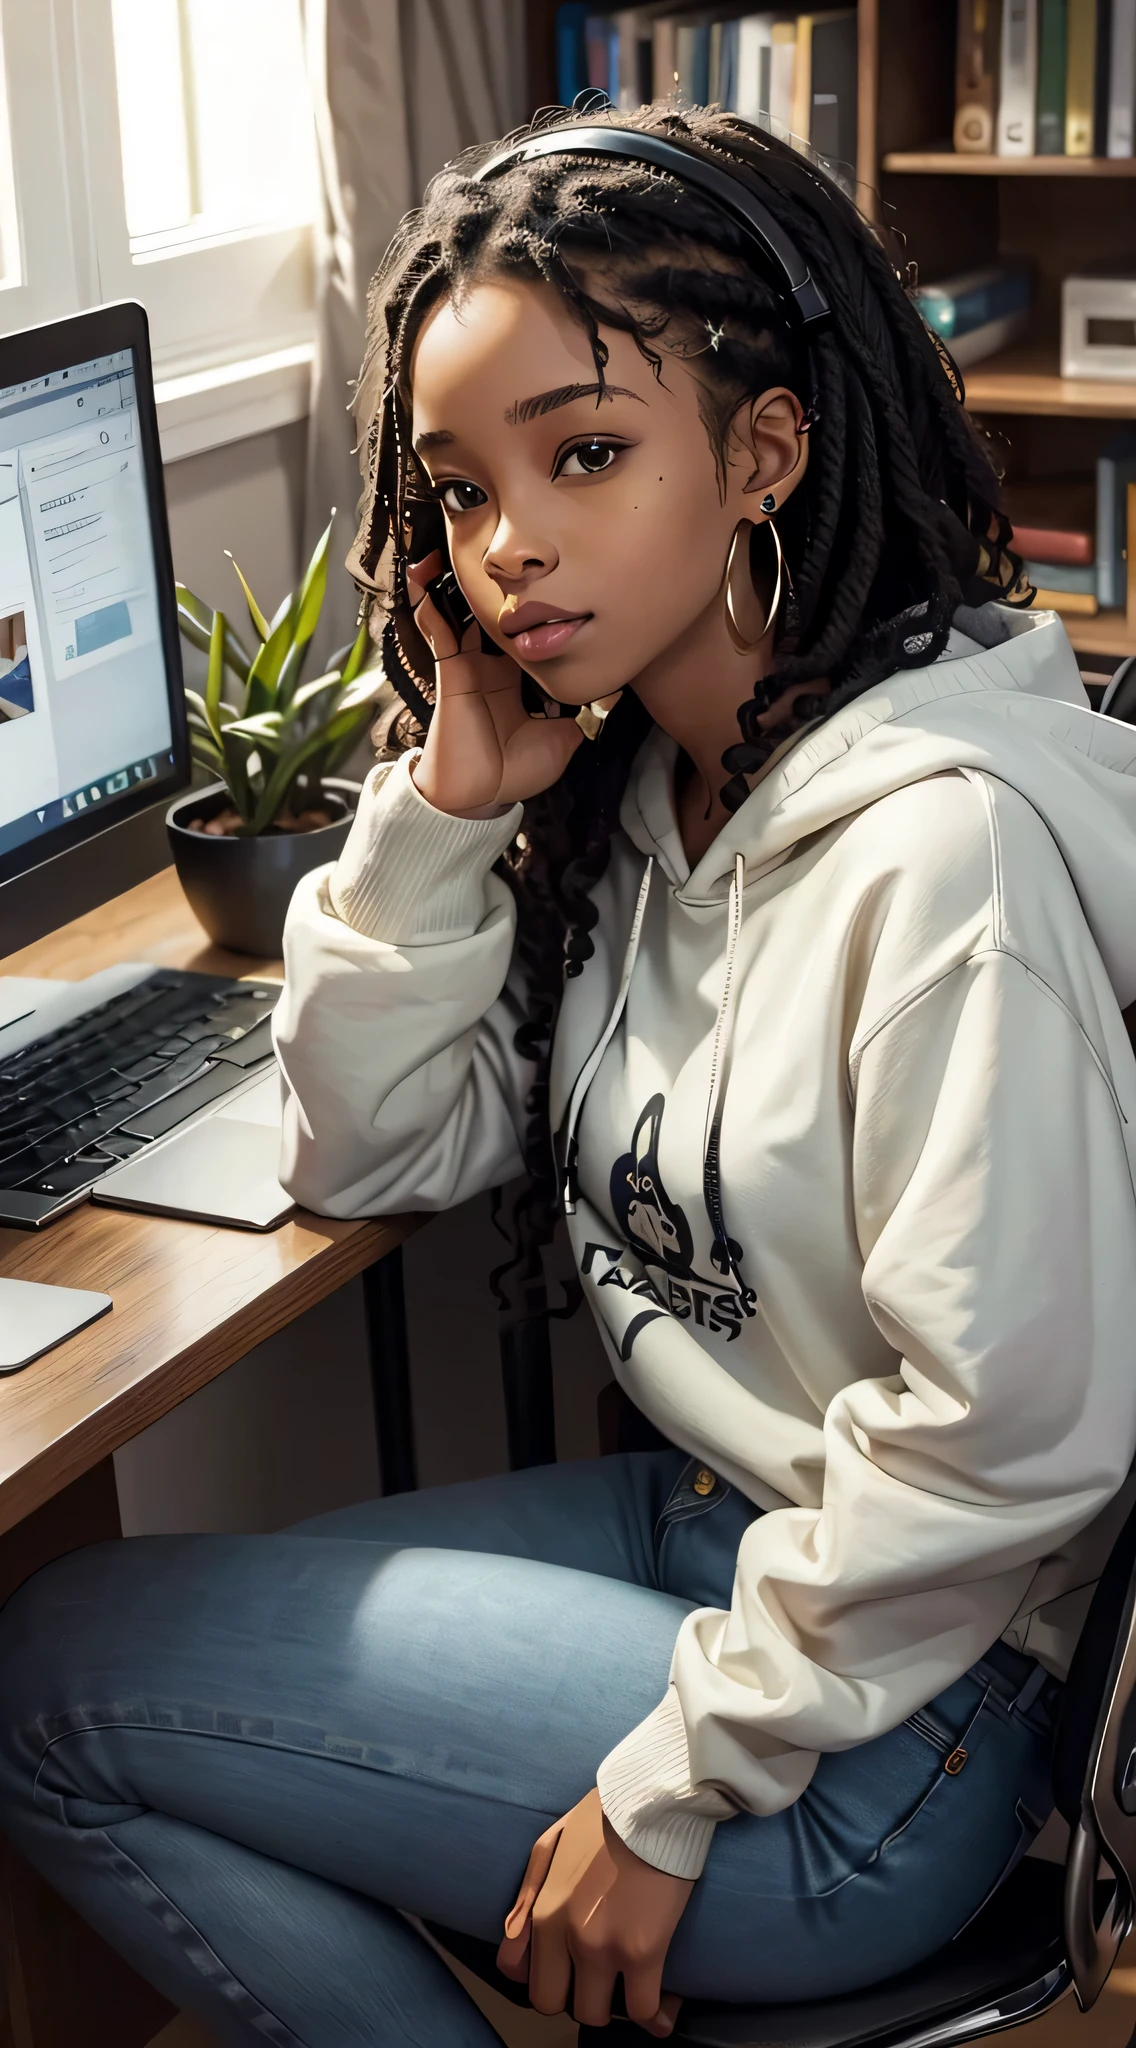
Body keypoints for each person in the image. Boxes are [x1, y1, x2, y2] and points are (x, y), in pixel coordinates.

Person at [2, 102, 1136, 2047]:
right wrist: (444, 814)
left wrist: (671, 1775)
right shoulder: (659, 783)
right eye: (457, 488)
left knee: (56, 1686)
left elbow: (1009, 1441)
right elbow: (368, 1144)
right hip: (719, 1530)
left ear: (764, 449)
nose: (506, 541)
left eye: (584, 451)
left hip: (902, 1723)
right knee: (115, 1661)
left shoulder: (943, 852)